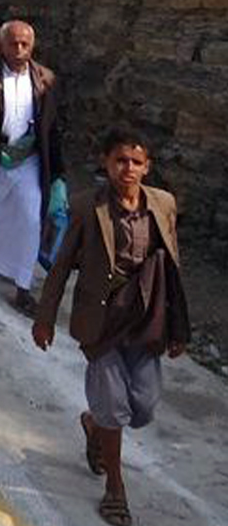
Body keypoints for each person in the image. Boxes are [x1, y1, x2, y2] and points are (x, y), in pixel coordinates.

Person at [33, 129, 189, 526]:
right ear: (106, 162)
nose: (129, 169)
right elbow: (63, 264)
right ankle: (115, 487)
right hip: (101, 321)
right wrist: (45, 317)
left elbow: (173, 268)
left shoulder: (163, 205)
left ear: (147, 166)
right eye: (121, 160)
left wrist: (177, 326)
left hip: (145, 318)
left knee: (144, 406)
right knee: (114, 407)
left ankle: (93, 424)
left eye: (137, 162)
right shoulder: (89, 207)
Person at [0, 19, 63, 312]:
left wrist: (58, 172)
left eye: (25, 44)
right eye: (14, 43)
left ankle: (22, 286)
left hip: (28, 158)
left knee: (30, 216)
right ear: (2, 44)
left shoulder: (45, 79)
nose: (19, 50)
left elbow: (53, 126)